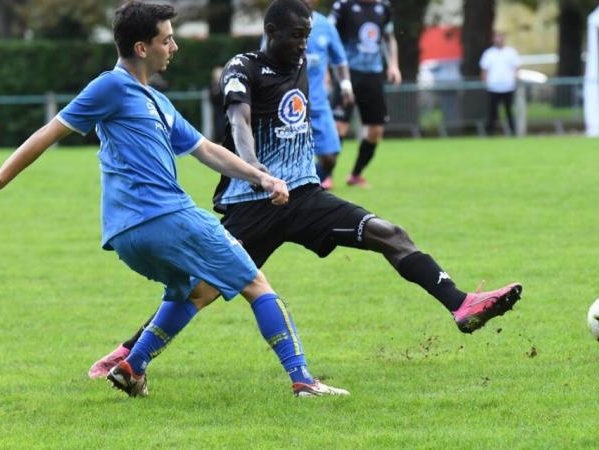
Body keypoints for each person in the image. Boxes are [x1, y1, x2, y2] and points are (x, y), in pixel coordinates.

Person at [88, 0, 523, 380]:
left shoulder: (302, 63)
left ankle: (461, 304)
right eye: (296, 35)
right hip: (255, 204)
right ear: (270, 31)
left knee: (389, 233)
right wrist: (254, 166)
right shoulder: (244, 67)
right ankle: (128, 354)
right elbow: (237, 120)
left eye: (308, 35)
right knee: (198, 292)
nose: (303, 43)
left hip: (305, 197)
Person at [0, 0, 349, 399]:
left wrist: (262, 177)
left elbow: (206, 149)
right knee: (256, 282)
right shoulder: (111, 85)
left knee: (192, 290)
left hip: (128, 236)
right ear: (141, 48)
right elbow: (50, 131)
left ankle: (132, 367)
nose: (174, 48)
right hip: (164, 216)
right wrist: (0, 178)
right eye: (167, 40)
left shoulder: (159, 102)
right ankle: (303, 379)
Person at [329, 0, 401, 187]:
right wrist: (327, 70)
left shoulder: (383, 7)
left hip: (374, 75)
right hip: (348, 74)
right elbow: (329, 37)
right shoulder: (343, 7)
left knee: (376, 130)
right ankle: (326, 173)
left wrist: (393, 65)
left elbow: (389, 37)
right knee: (339, 127)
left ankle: (356, 174)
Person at [305, 0, 354, 190]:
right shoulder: (283, 22)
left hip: (318, 104)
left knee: (329, 158)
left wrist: (346, 86)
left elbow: (340, 60)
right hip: (288, 106)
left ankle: (304, 187)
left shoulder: (326, 26)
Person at [479, 32, 520, 136]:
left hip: (508, 87)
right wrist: (485, 83)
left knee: (509, 111)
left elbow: (516, 68)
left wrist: (515, 80)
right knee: (492, 112)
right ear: (493, 39)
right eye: (497, 38)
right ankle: (490, 133)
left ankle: (513, 132)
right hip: (493, 87)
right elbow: (484, 70)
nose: (499, 40)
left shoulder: (511, 52)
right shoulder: (488, 53)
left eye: (501, 37)